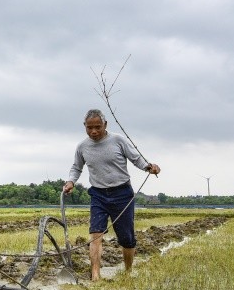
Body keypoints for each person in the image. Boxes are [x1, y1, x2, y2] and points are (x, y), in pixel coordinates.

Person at [62, 109, 161, 280]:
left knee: (127, 238)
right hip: (98, 195)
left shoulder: (118, 140)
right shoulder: (82, 146)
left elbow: (136, 158)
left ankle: (128, 272)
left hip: (122, 193)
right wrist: (71, 181)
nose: (94, 131)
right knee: (95, 234)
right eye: (89, 128)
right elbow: (76, 167)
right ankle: (95, 276)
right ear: (85, 127)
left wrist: (149, 167)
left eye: (97, 127)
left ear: (105, 125)